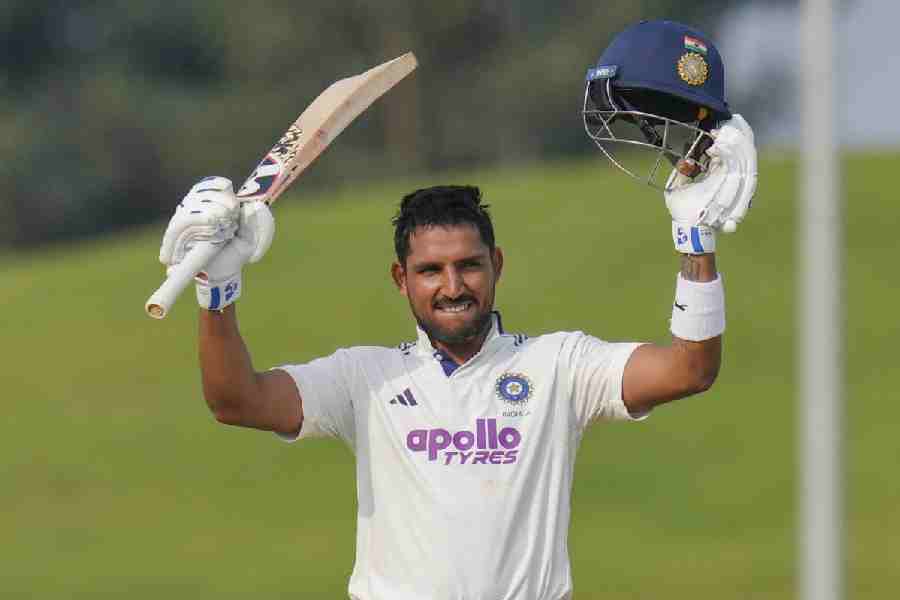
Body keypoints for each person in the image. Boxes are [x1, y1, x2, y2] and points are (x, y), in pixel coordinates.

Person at [157, 19, 756, 600]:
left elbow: (690, 370)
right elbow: (234, 402)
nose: (452, 286)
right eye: (430, 271)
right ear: (401, 279)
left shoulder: (560, 367)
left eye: (468, 265)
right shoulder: (365, 379)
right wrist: (217, 289)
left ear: (497, 265)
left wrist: (695, 244)